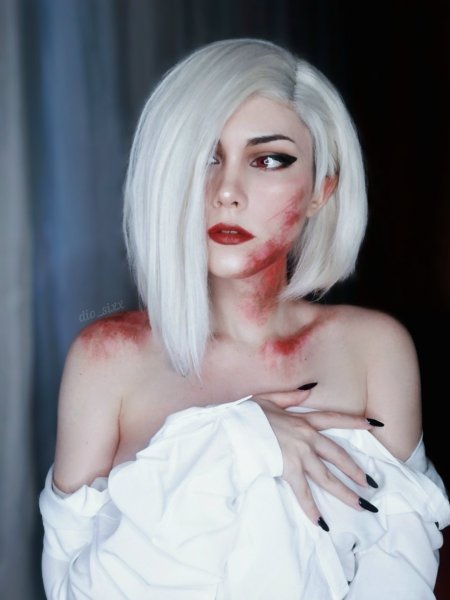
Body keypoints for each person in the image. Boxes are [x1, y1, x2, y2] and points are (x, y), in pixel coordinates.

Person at [39, 38, 450, 599]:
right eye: (205, 156)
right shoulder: (106, 360)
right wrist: (239, 440)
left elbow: (402, 571)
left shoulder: (374, 350)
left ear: (321, 189)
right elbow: (72, 588)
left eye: (268, 160)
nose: (226, 192)